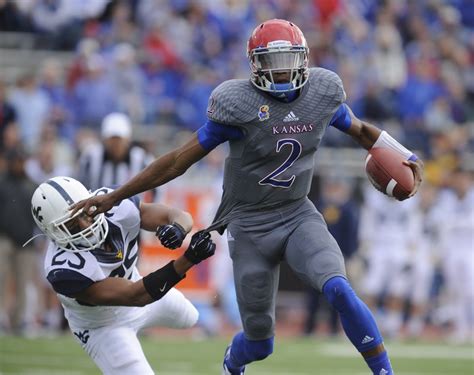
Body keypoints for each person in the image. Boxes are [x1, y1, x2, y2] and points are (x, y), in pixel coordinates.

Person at [72, 19, 424, 375]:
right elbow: (178, 160)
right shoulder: (236, 103)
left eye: (289, 61)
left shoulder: (323, 92)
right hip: (248, 225)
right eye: (272, 62)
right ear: (255, 65)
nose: (283, 72)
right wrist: (115, 197)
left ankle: (384, 372)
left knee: (339, 290)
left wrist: (404, 153)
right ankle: (232, 363)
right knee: (259, 342)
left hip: (298, 213)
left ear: (303, 60)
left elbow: (362, 130)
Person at [31, 176, 215, 374]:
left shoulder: (113, 205)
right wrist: (189, 259)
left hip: (138, 287)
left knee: (190, 317)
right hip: (103, 326)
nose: (85, 225)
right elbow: (135, 296)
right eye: (72, 225)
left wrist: (178, 228)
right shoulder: (64, 269)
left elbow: (175, 214)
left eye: (85, 213)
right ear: (52, 232)